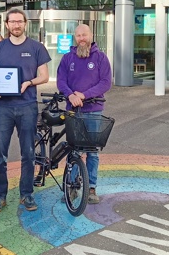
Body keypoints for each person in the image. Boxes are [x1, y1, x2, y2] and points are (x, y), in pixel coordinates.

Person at [0, 8, 51, 214]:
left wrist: (28, 82)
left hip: (27, 106)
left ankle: (26, 194)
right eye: (12, 22)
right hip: (2, 108)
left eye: (19, 22)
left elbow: (45, 76)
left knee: (29, 153)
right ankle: (0, 196)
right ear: (6, 25)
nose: (16, 25)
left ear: (25, 24)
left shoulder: (36, 47)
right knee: (0, 154)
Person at [56, 24, 112, 204]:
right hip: (73, 112)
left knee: (92, 152)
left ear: (91, 35)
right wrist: (71, 95)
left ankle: (91, 188)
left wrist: (84, 95)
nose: (81, 38)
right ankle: (72, 186)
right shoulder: (67, 58)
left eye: (84, 35)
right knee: (74, 151)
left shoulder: (101, 58)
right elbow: (61, 81)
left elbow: (105, 83)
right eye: (78, 35)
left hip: (94, 111)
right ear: (75, 37)